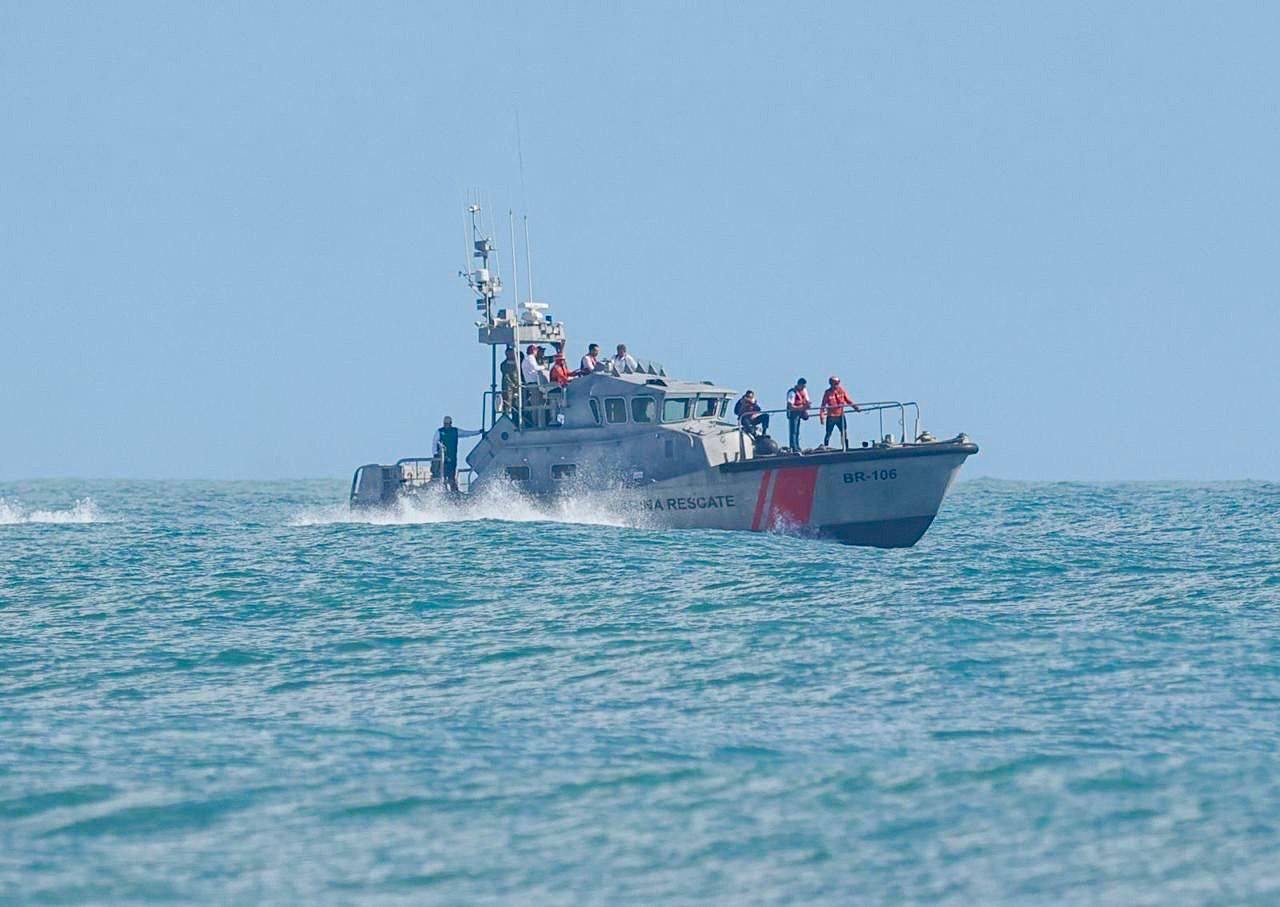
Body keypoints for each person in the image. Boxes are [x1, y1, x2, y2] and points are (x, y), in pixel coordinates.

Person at [432, 416, 482, 492]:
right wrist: (435, 454)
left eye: (448, 423)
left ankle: (454, 491)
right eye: (445, 423)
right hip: (443, 459)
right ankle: (444, 490)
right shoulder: (439, 432)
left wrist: (478, 432)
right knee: (442, 475)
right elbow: (434, 443)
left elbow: (466, 433)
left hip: (452, 459)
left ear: (451, 423)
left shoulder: (455, 431)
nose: (446, 425)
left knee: (451, 476)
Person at [819, 376, 859, 450]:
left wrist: (855, 407)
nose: (836, 385)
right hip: (831, 416)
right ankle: (825, 447)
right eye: (835, 383)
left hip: (840, 415)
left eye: (837, 383)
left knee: (844, 432)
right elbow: (823, 405)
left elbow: (848, 400)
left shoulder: (841, 390)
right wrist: (821, 416)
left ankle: (846, 448)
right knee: (828, 433)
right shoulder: (827, 392)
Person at [785, 377, 810, 452]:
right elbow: (790, 406)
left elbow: (807, 401)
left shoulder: (804, 391)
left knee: (797, 431)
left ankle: (797, 446)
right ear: (799, 385)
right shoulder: (792, 392)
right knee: (793, 430)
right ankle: (793, 447)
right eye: (802, 386)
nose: (803, 388)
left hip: (801, 411)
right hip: (794, 413)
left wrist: (806, 409)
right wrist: (800, 408)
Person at [500, 346, 519, 416]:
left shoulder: (517, 363)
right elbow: (507, 376)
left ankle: (516, 417)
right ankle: (506, 415)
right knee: (507, 401)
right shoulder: (504, 365)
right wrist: (513, 384)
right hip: (508, 387)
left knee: (516, 403)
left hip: (517, 386)